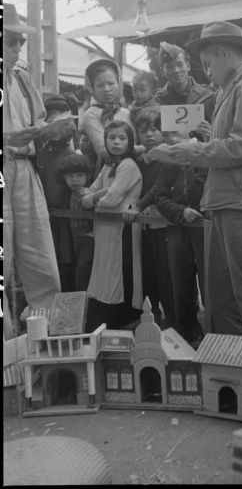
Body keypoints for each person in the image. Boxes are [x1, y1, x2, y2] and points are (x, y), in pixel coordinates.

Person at [165, 21, 242, 336]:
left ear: (222, 53)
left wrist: (196, 152)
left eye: (206, 64)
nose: (206, 72)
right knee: (221, 294)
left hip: (240, 201)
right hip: (223, 200)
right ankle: (238, 368)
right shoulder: (231, 88)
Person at [3, 3, 61, 337]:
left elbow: (40, 119)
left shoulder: (24, 79)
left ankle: (47, 333)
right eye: (10, 41)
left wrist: (49, 129)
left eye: (19, 43)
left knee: (39, 252)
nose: (16, 48)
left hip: (24, 169)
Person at [82, 120, 143, 331]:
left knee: (119, 270)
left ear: (130, 141)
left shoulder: (128, 165)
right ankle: (102, 317)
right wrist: (94, 197)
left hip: (121, 227)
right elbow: (90, 191)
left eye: (122, 138)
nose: (116, 142)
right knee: (103, 271)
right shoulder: (108, 165)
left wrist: (93, 199)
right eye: (111, 137)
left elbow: (113, 198)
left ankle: (120, 318)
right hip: (104, 227)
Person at [154, 130, 207, 347]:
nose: (173, 141)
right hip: (177, 227)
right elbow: (159, 196)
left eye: (178, 135)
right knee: (180, 282)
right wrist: (180, 211)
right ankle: (188, 334)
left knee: (209, 282)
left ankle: (214, 333)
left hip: (204, 227)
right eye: (168, 138)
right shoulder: (168, 165)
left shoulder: (206, 160)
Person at [123, 109, 174, 328]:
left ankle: (172, 319)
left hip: (164, 222)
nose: (150, 135)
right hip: (144, 223)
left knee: (167, 274)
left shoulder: (168, 155)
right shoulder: (140, 158)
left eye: (155, 129)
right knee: (149, 273)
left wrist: (138, 205)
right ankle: (152, 318)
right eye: (144, 131)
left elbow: (157, 188)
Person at [36, 95, 78, 292]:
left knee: (66, 263)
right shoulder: (39, 155)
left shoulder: (72, 157)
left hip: (65, 223)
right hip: (44, 219)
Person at [81, 59, 135, 166]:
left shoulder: (127, 113)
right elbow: (104, 150)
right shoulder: (91, 114)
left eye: (111, 83)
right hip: (107, 170)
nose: (106, 89)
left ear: (119, 83)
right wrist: (142, 150)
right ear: (92, 88)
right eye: (100, 85)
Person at [58, 153, 95, 292]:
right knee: (73, 268)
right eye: (70, 176)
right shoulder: (65, 194)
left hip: (89, 237)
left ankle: (85, 301)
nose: (75, 180)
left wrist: (90, 193)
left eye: (79, 175)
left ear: (88, 177)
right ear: (64, 178)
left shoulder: (88, 193)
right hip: (72, 238)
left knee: (83, 269)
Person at [154, 42, 216, 124]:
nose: (176, 70)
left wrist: (209, 133)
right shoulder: (158, 100)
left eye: (180, 65)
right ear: (162, 71)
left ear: (188, 66)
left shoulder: (207, 95)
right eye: (169, 67)